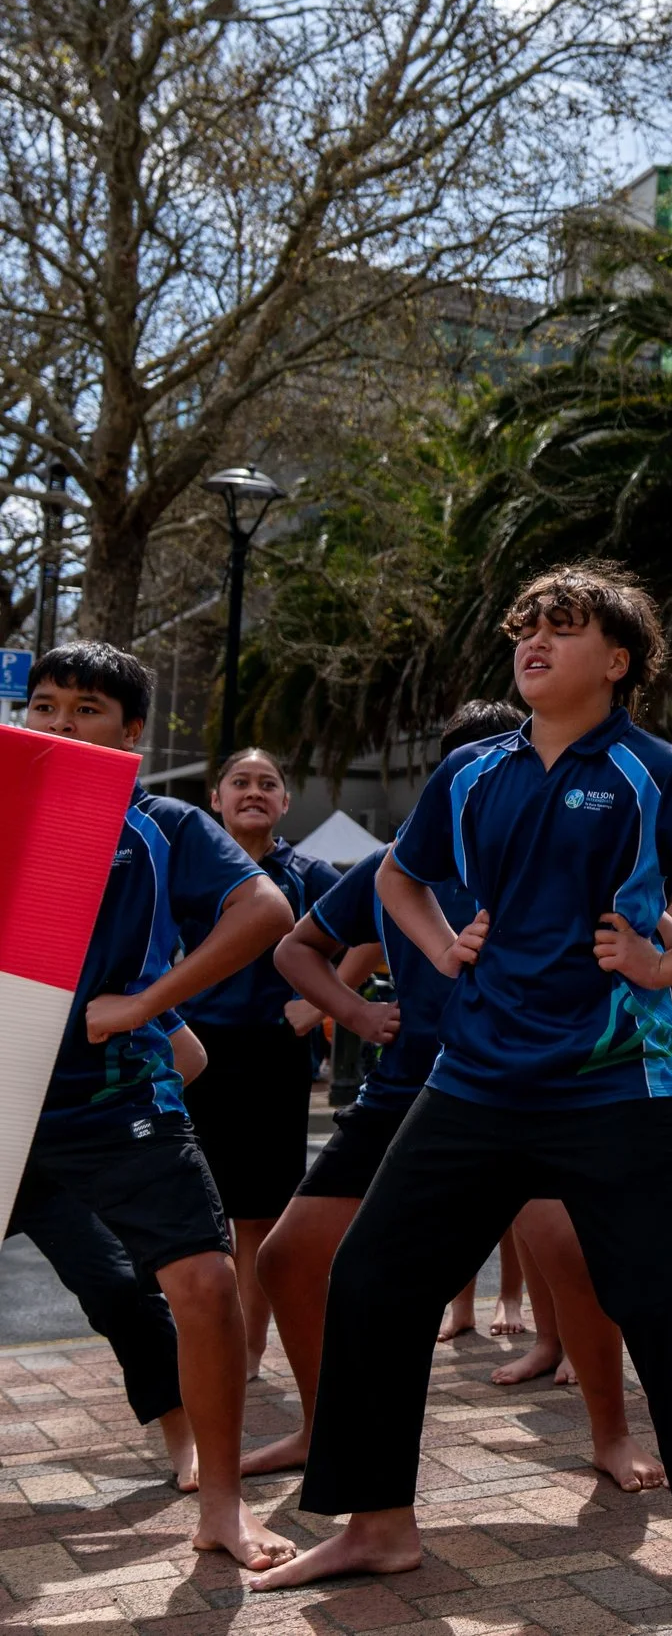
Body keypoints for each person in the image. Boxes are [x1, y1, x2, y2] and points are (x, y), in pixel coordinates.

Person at [249, 564, 672, 1627]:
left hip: (613, 1082)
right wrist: (438, 951)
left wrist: (660, 964)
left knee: (665, 1306)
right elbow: (398, 881)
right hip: (475, 1077)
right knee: (372, 1271)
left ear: (619, 658)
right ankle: (378, 1522)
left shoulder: (659, 770)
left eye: (564, 628)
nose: (536, 643)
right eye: (526, 629)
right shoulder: (471, 771)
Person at [252, 702, 672, 1486]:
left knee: (572, 1260)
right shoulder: (397, 863)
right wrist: (355, 1012)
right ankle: (322, 1429)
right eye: (485, 769)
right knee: (286, 1260)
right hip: (408, 1090)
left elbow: (665, 928)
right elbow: (296, 949)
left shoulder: (570, 852)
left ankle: (611, 1433)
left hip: (525, 1090)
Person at [18, 642, 299, 1569]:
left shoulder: (162, 823)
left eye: (86, 710)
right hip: (6, 1099)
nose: (60, 726)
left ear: (132, 732)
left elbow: (262, 912)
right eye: (45, 705)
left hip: (115, 1101)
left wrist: (143, 1006)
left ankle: (220, 1504)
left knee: (205, 1285)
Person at [179, 747, 340, 1376]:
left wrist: (318, 1003)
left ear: (284, 802)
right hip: (194, 1054)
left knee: (260, 1216)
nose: (253, 792)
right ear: (214, 798)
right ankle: (198, 1340)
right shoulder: (185, 867)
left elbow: (373, 932)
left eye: (267, 783)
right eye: (239, 782)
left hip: (275, 1057)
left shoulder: (309, 873)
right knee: (198, 1208)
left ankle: (247, 1347)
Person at [5, 1021, 212, 1491]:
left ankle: (185, 1437)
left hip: (52, 1166)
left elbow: (189, 1054)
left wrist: (101, 1121)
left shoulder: (71, 961)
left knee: (119, 1289)